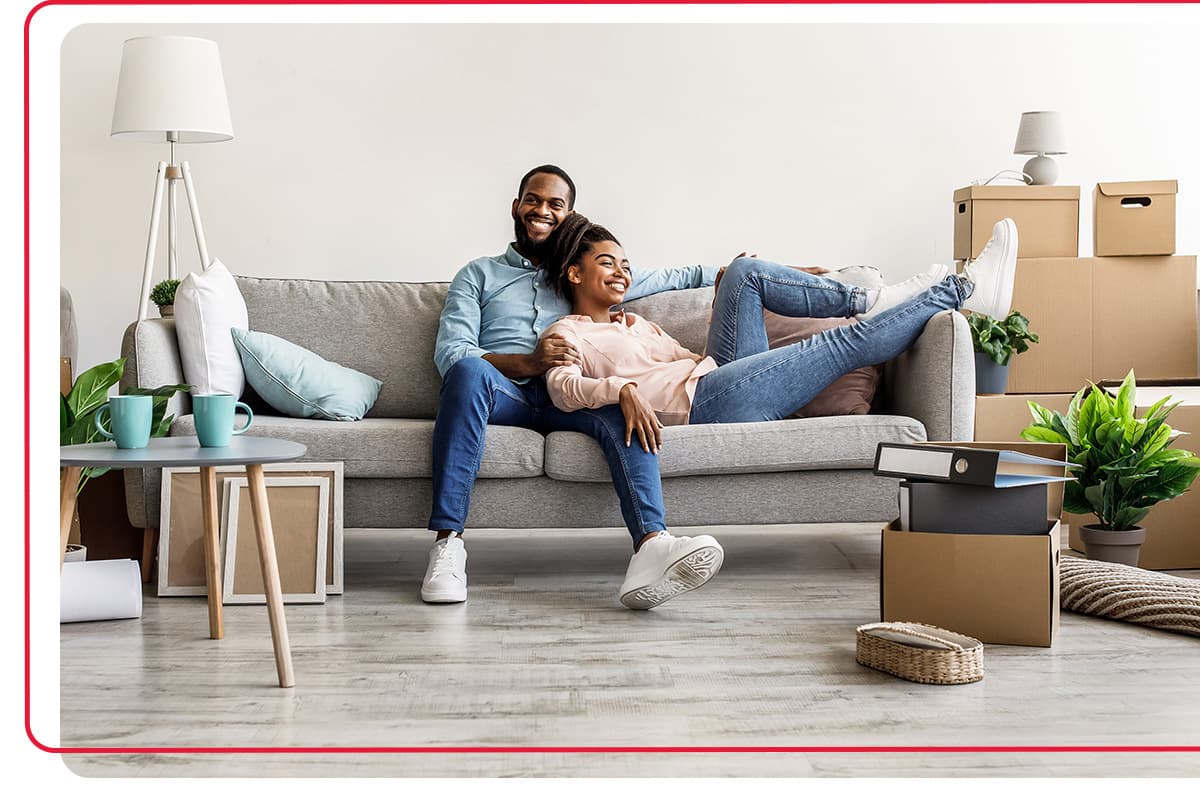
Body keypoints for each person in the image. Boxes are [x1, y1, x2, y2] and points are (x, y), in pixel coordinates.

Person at [538, 213, 1017, 595]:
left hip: (717, 378)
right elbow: (562, 388)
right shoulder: (567, 332)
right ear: (575, 273)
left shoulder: (639, 323)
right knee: (840, 346)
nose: (621, 272)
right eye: (607, 263)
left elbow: (693, 360)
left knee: (744, 274)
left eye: (624, 264)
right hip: (703, 403)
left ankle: (872, 297)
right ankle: (963, 288)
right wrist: (620, 390)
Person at [425, 165, 727, 608]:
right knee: (468, 372)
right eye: (533, 199)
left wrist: (737, 272)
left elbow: (673, 277)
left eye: (554, 204)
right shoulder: (478, 274)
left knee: (625, 402)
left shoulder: (579, 271)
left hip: (568, 392)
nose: (541, 210)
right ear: (516, 206)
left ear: (568, 215)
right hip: (501, 391)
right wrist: (527, 361)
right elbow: (452, 354)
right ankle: (448, 545)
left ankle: (651, 546)